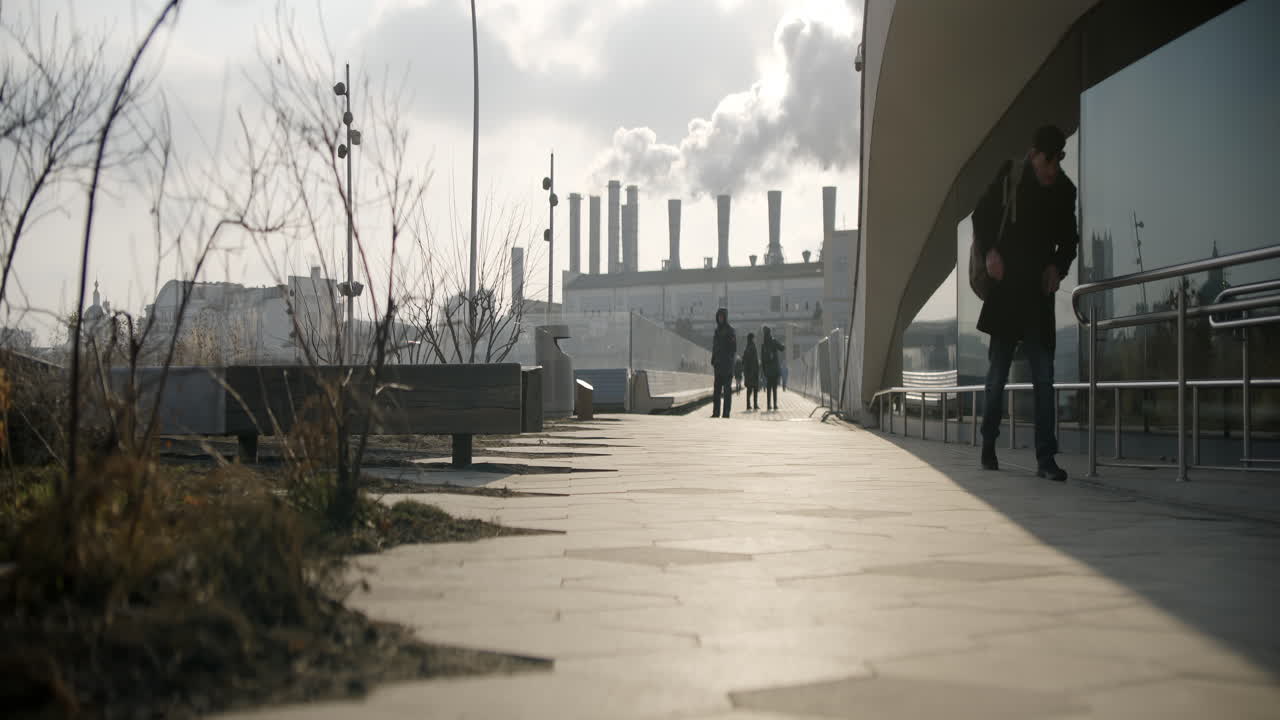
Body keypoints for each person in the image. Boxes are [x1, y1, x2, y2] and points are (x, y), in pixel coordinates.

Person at [974, 124, 1078, 482]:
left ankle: (1046, 459)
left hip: (1037, 297)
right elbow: (981, 215)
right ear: (1034, 155)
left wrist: (1057, 267)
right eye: (1048, 161)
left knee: (1044, 378)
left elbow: (1070, 241)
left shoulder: (1064, 191)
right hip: (1005, 292)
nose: (1052, 169)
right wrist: (990, 252)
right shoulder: (1011, 175)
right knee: (997, 376)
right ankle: (988, 444)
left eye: (1058, 161)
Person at [710, 307, 736, 418]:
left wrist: (729, 360)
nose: (720, 318)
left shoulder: (730, 331)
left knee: (727, 391)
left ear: (725, 317)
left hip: (727, 365)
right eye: (719, 316)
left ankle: (726, 413)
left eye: (722, 316)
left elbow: (733, 348)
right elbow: (715, 346)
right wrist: (713, 358)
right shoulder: (716, 331)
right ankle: (716, 412)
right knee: (716, 390)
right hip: (718, 364)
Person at [760, 326, 785, 411]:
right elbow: (782, 348)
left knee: (768, 387)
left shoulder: (763, 344)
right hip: (775, 369)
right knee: (774, 388)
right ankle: (775, 405)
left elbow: (762, 359)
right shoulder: (774, 341)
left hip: (767, 370)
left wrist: (764, 370)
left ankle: (768, 405)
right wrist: (783, 344)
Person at [742, 333, 760, 410]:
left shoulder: (746, 348)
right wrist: (756, 369)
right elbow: (754, 360)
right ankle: (755, 404)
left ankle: (748, 405)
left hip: (748, 371)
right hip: (753, 371)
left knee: (749, 389)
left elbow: (743, 360)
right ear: (752, 338)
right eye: (754, 338)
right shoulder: (753, 347)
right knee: (755, 388)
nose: (755, 339)